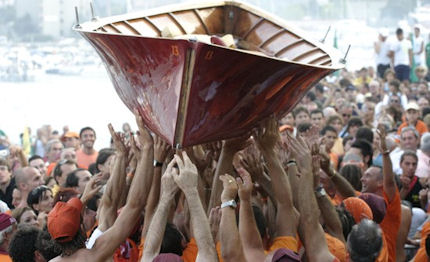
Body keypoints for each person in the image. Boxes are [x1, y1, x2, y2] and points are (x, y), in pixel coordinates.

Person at [47, 113, 154, 262]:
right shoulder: (95, 253)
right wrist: (148, 148)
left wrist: (121, 157)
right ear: (82, 227)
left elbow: (109, 203)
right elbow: (135, 206)